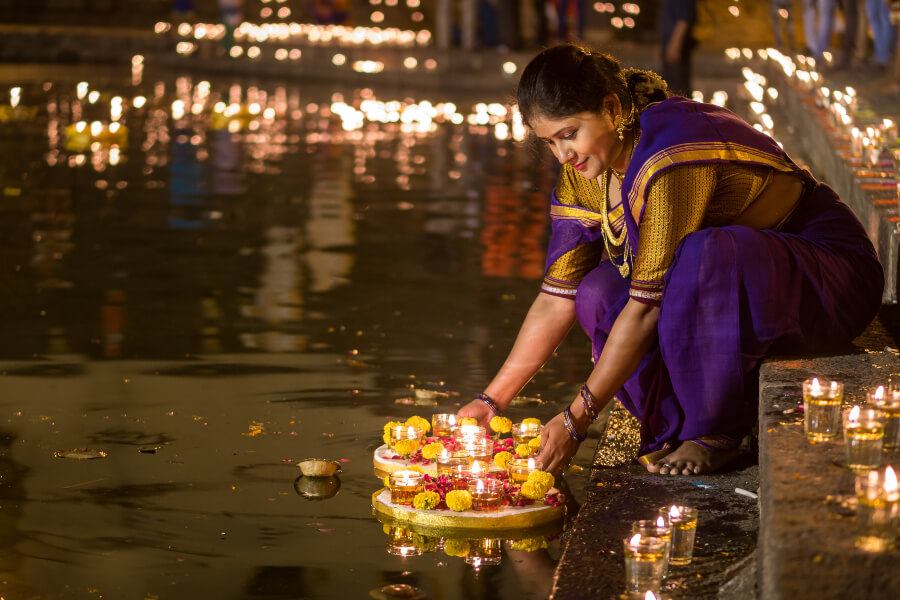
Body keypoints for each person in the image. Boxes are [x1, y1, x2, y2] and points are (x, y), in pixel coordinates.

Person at [457, 44, 884, 477]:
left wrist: (576, 417)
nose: (563, 155)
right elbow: (556, 297)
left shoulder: (669, 150)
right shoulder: (586, 171)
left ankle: (714, 430)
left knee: (705, 254)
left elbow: (646, 308)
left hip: (826, 277)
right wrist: (492, 401)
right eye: (549, 142)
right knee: (598, 292)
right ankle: (670, 428)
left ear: (611, 108)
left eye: (569, 134)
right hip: (737, 288)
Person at [660, 0, 697, 96]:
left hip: (677, 43)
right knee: (669, 84)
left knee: (677, 87)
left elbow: (684, 18)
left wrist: (675, 43)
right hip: (669, 41)